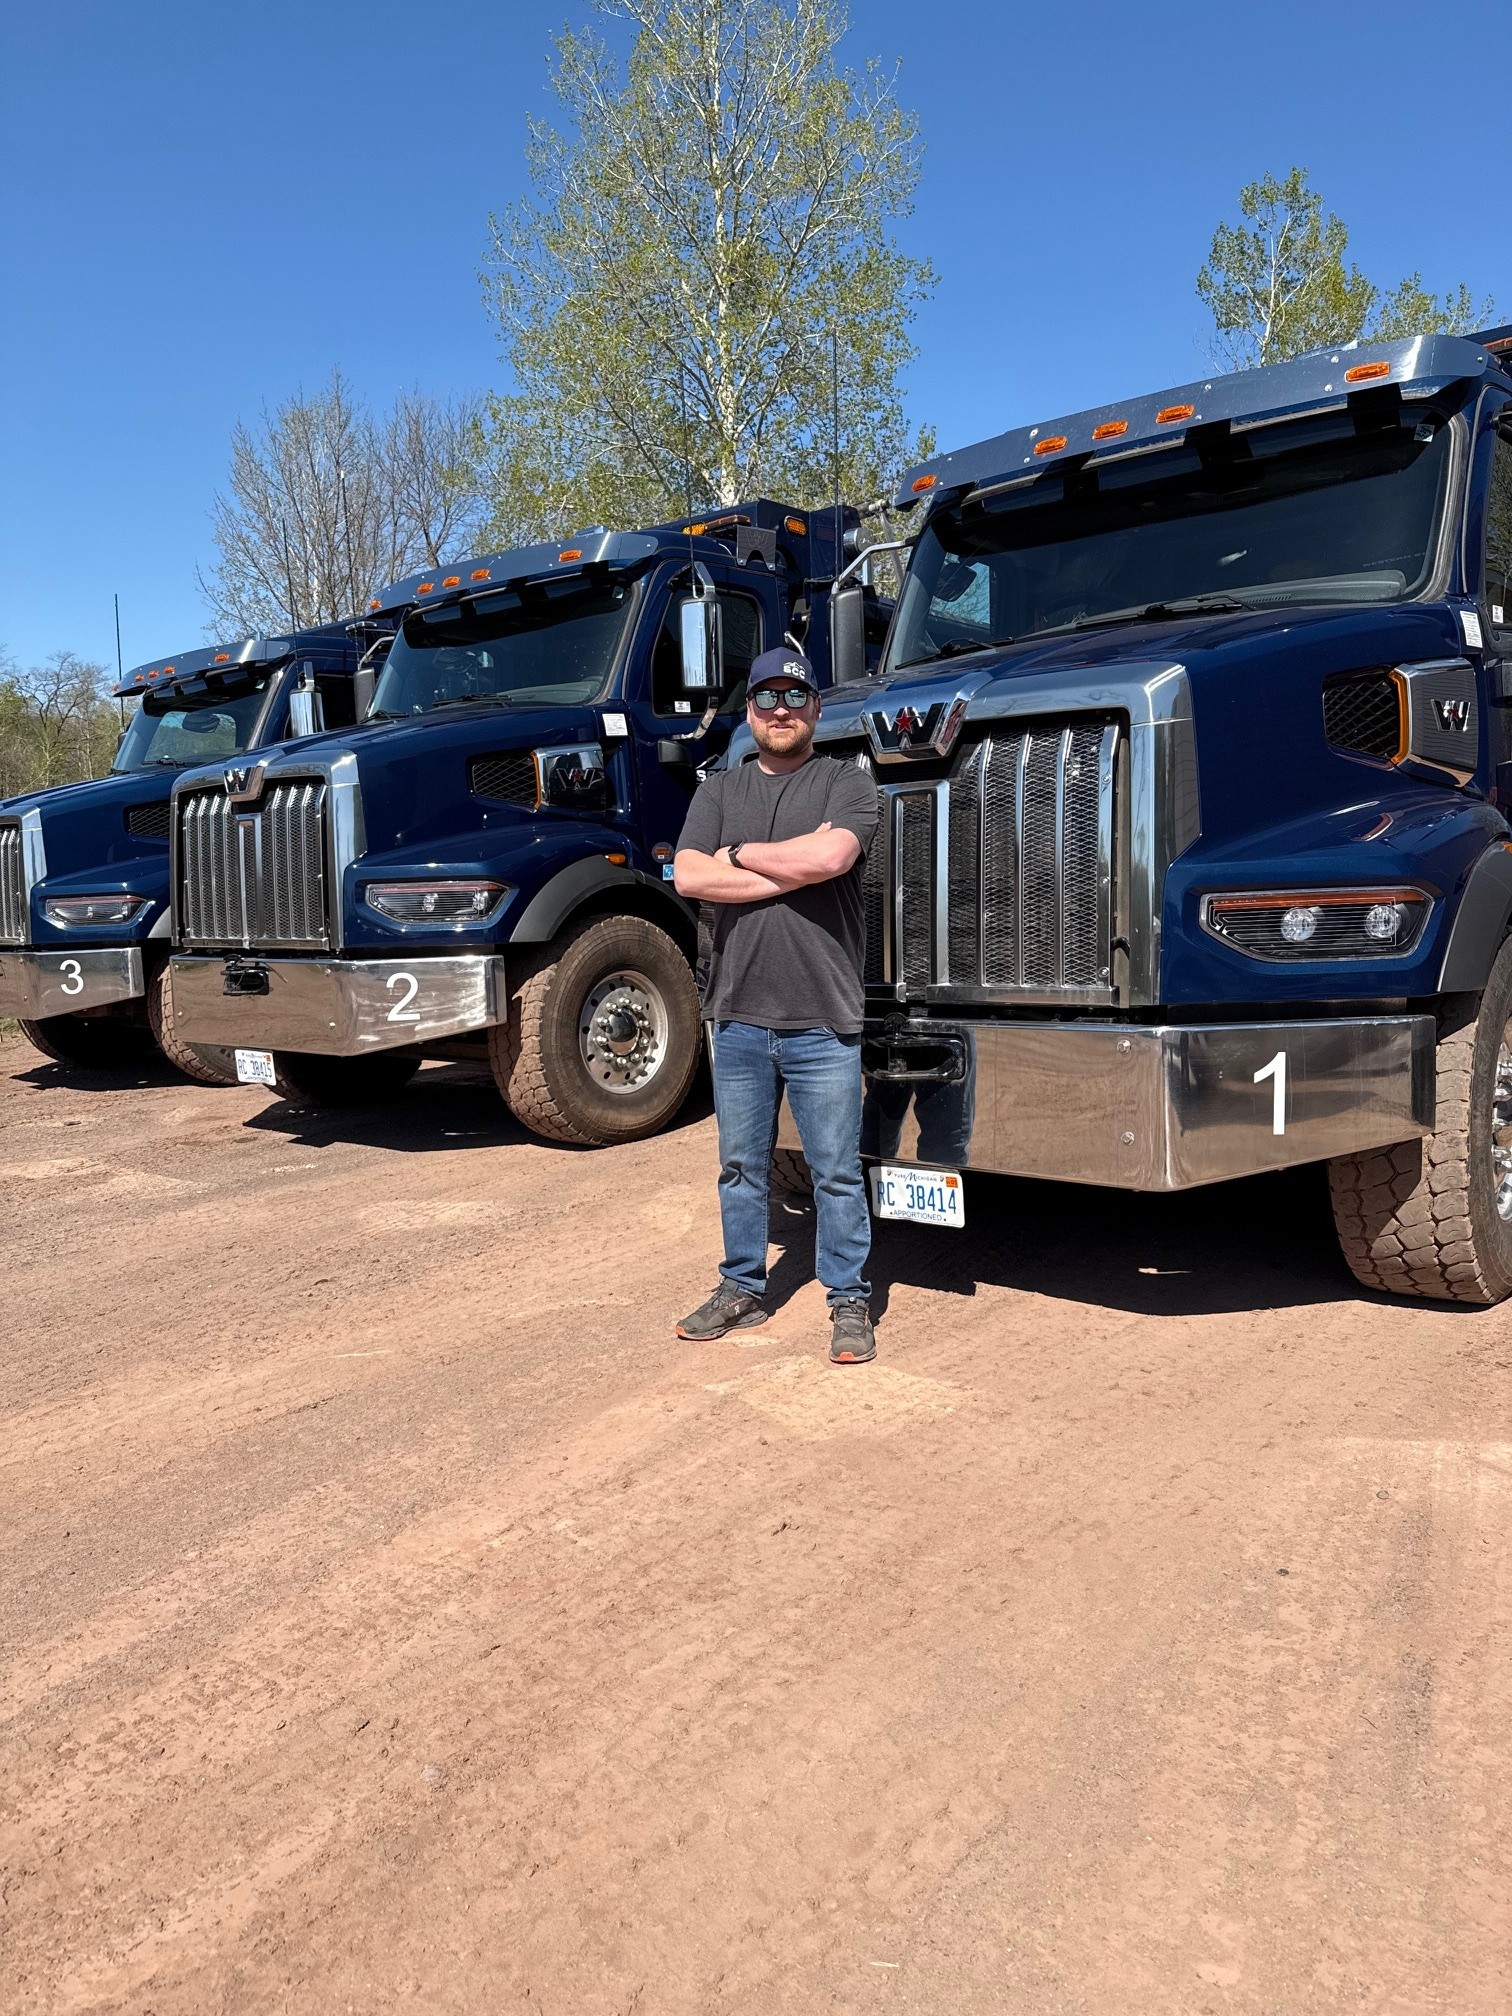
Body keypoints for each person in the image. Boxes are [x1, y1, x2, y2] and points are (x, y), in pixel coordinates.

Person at [672, 646, 881, 1364]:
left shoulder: (847, 784)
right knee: (740, 1165)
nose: (782, 710)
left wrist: (737, 856)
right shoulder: (718, 791)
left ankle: (849, 1299)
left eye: (796, 697)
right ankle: (741, 1287)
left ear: (816, 710)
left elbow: (830, 861)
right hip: (734, 1014)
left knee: (835, 1170)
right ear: (751, 711)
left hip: (823, 1015)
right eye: (767, 698)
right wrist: (780, 861)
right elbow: (688, 875)